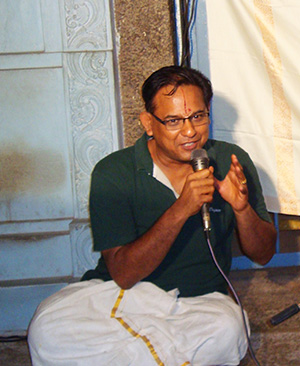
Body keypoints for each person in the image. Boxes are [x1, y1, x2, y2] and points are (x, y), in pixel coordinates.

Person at [27, 66, 277, 365]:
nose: (189, 132)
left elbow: (263, 254)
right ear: (148, 122)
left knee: (228, 329)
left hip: (197, 304)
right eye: (173, 121)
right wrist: (182, 208)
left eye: (198, 116)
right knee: (47, 330)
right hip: (122, 297)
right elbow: (123, 274)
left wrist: (241, 209)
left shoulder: (230, 160)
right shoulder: (114, 172)